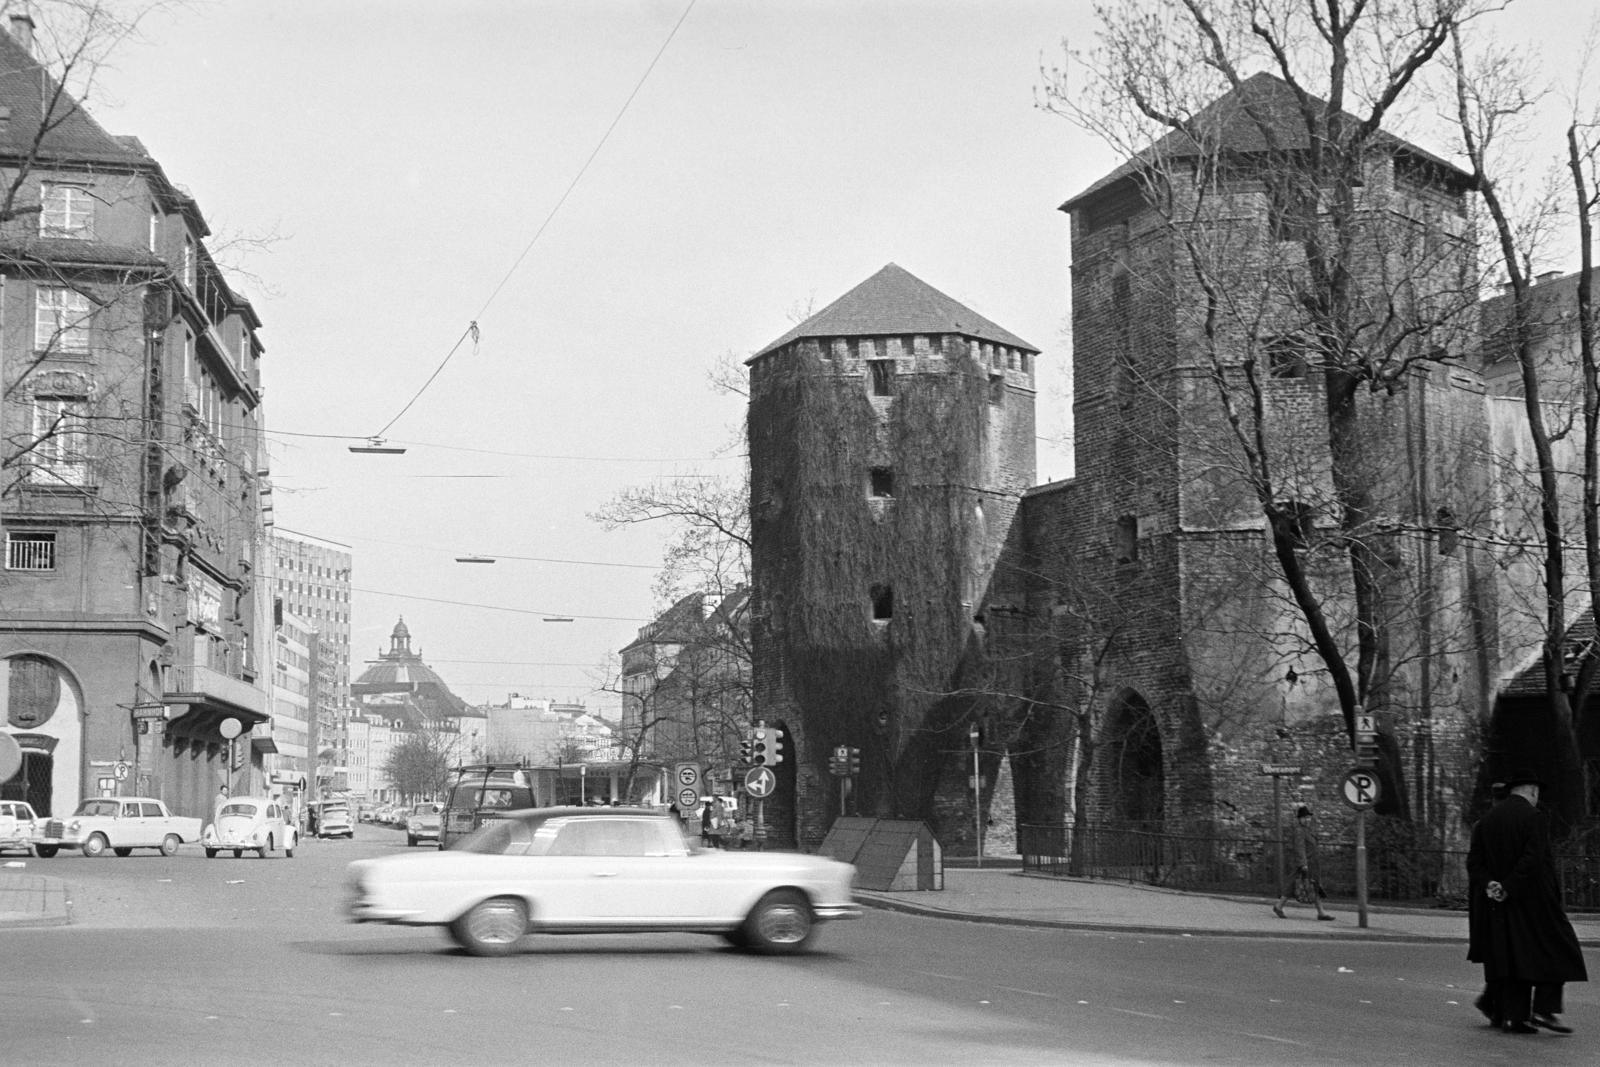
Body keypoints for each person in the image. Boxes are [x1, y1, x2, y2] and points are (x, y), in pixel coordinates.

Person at [1467, 768, 1587, 1034]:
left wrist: (1492, 885)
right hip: (1534, 900)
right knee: (1559, 947)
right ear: (1532, 791)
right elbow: (1532, 860)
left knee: (1512, 956)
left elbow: (1474, 863)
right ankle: (1544, 1008)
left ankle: (1515, 1017)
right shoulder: (1535, 818)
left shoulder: (1486, 822)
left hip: (1499, 903)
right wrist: (1509, 887)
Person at [1273, 806, 1334, 921]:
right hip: (1306, 864)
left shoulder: (1309, 830)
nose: (1307, 820)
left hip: (1313, 864)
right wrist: (1303, 864)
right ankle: (1279, 906)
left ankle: (1320, 912)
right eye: (1304, 818)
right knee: (1297, 885)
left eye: (1308, 817)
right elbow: (1299, 848)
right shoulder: (1299, 831)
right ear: (1299, 819)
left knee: (1313, 886)